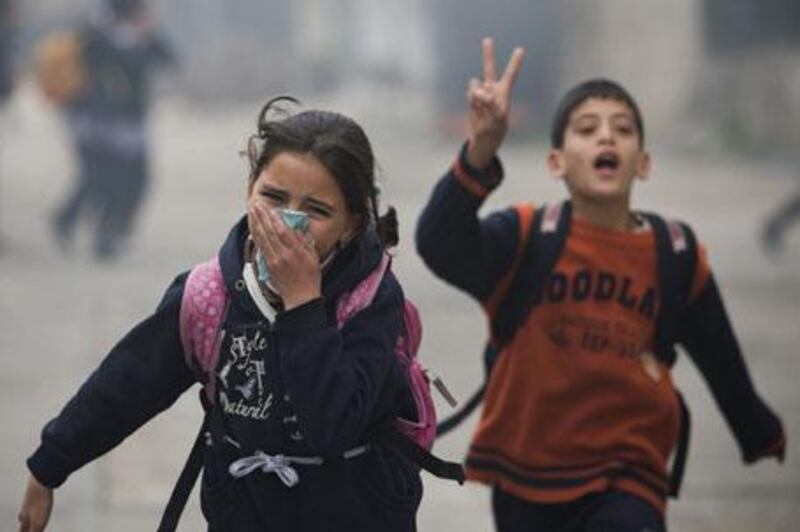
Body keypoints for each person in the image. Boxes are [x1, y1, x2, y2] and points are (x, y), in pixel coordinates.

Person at [415, 38, 786, 531]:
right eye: (587, 129)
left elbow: (717, 348)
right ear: (556, 162)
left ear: (644, 162)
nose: (606, 138)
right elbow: (439, 243)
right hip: (526, 475)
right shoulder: (527, 237)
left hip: (630, 471)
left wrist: (755, 426)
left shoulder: (672, 251)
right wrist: (481, 149)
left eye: (623, 129)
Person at [19, 97, 423, 531]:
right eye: (273, 196)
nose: (288, 221)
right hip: (243, 511)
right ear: (250, 187)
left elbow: (333, 426)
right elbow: (128, 383)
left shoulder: (369, 299)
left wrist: (303, 303)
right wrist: (48, 467)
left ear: (352, 223)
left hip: (356, 512)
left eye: (317, 211)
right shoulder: (211, 295)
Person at [50, 0, 175, 259]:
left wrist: (148, 35)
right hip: (97, 125)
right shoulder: (97, 34)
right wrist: (137, 40)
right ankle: (100, 234)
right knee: (105, 180)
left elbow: (168, 58)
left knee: (131, 180)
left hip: (130, 125)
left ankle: (86, 226)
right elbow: (123, 64)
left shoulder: (136, 33)